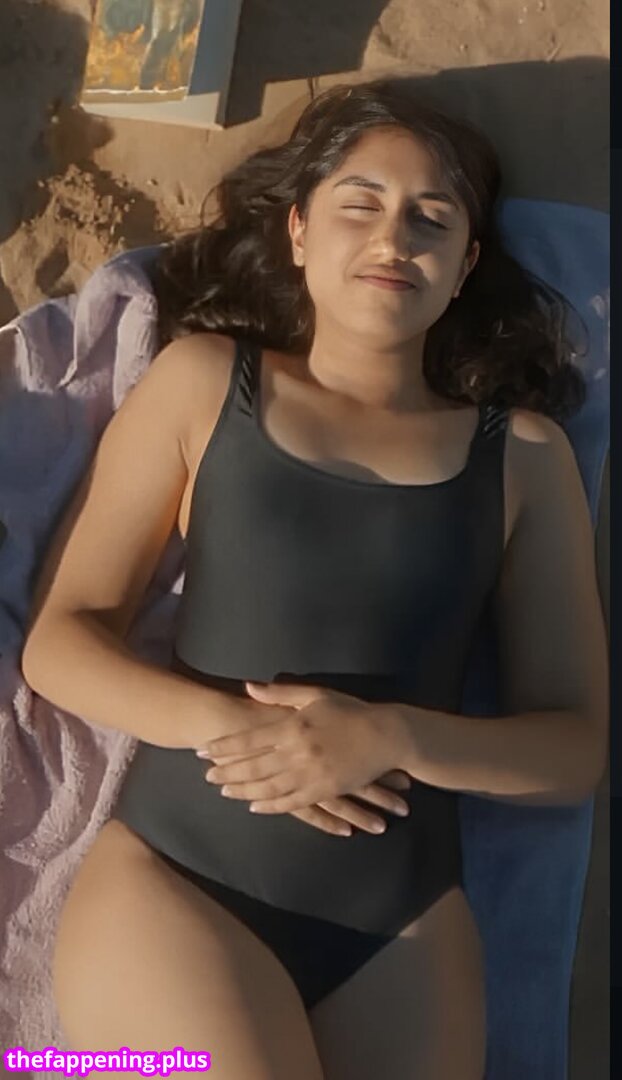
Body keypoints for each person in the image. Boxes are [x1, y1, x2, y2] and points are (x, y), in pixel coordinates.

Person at [21, 77, 609, 1079]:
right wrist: (235, 728)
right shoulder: (208, 382)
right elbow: (63, 642)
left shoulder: (523, 457)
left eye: (432, 218)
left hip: (403, 926)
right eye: (360, 204)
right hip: (181, 878)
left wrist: (390, 736)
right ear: (297, 232)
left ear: (465, 266)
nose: (394, 238)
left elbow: (572, 749)